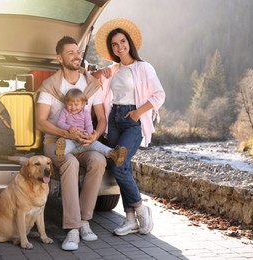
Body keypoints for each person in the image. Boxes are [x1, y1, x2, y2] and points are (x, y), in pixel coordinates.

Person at [93, 18, 166, 236]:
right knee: (124, 168)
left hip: (132, 120)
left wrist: (137, 113)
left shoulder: (143, 67)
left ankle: (142, 210)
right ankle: (131, 219)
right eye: (114, 44)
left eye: (122, 41)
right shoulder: (113, 69)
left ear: (129, 42)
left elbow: (159, 95)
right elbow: (93, 81)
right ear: (112, 49)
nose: (119, 47)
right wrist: (99, 74)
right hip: (114, 119)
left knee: (118, 166)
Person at [35, 36, 106, 251]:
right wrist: (66, 133)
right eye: (71, 53)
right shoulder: (50, 86)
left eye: (78, 51)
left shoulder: (92, 85)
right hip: (56, 143)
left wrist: (95, 135)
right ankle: (73, 228)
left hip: (84, 142)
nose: (77, 56)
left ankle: (84, 220)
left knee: (98, 160)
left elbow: (101, 119)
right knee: (71, 164)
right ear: (59, 58)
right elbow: (41, 122)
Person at [54, 87, 127, 167]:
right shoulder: (65, 112)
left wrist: (89, 135)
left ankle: (113, 153)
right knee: (66, 144)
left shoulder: (86, 113)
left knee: (97, 144)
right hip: (71, 140)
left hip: (84, 142)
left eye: (76, 104)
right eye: (70, 104)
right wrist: (69, 127)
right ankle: (60, 153)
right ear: (66, 104)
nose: (73, 107)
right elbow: (60, 123)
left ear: (82, 104)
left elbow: (89, 125)